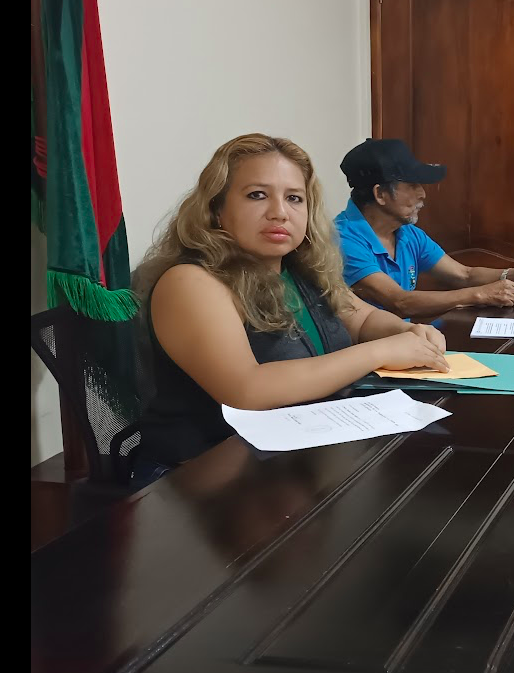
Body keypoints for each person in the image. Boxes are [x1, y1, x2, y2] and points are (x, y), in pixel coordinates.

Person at [130, 133, 450, 491]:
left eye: (294, 198)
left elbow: (362, 319)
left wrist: (407, 333)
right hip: (197, 482)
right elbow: (246, 390)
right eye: (257, 195)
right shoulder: (190, 281)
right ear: (216, 208)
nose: (279, 212)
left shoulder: (301, 269)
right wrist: (381, 351)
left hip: (290, 465)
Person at [335, 138, 514, 319]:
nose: (423, 194)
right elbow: (399, 302)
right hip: (367, 349)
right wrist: (480, 294)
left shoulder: (407, 233)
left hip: (408, 341)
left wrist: (512, 275)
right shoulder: (342, 240)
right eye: (412, 185)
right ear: (380, 194)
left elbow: (464, 274)